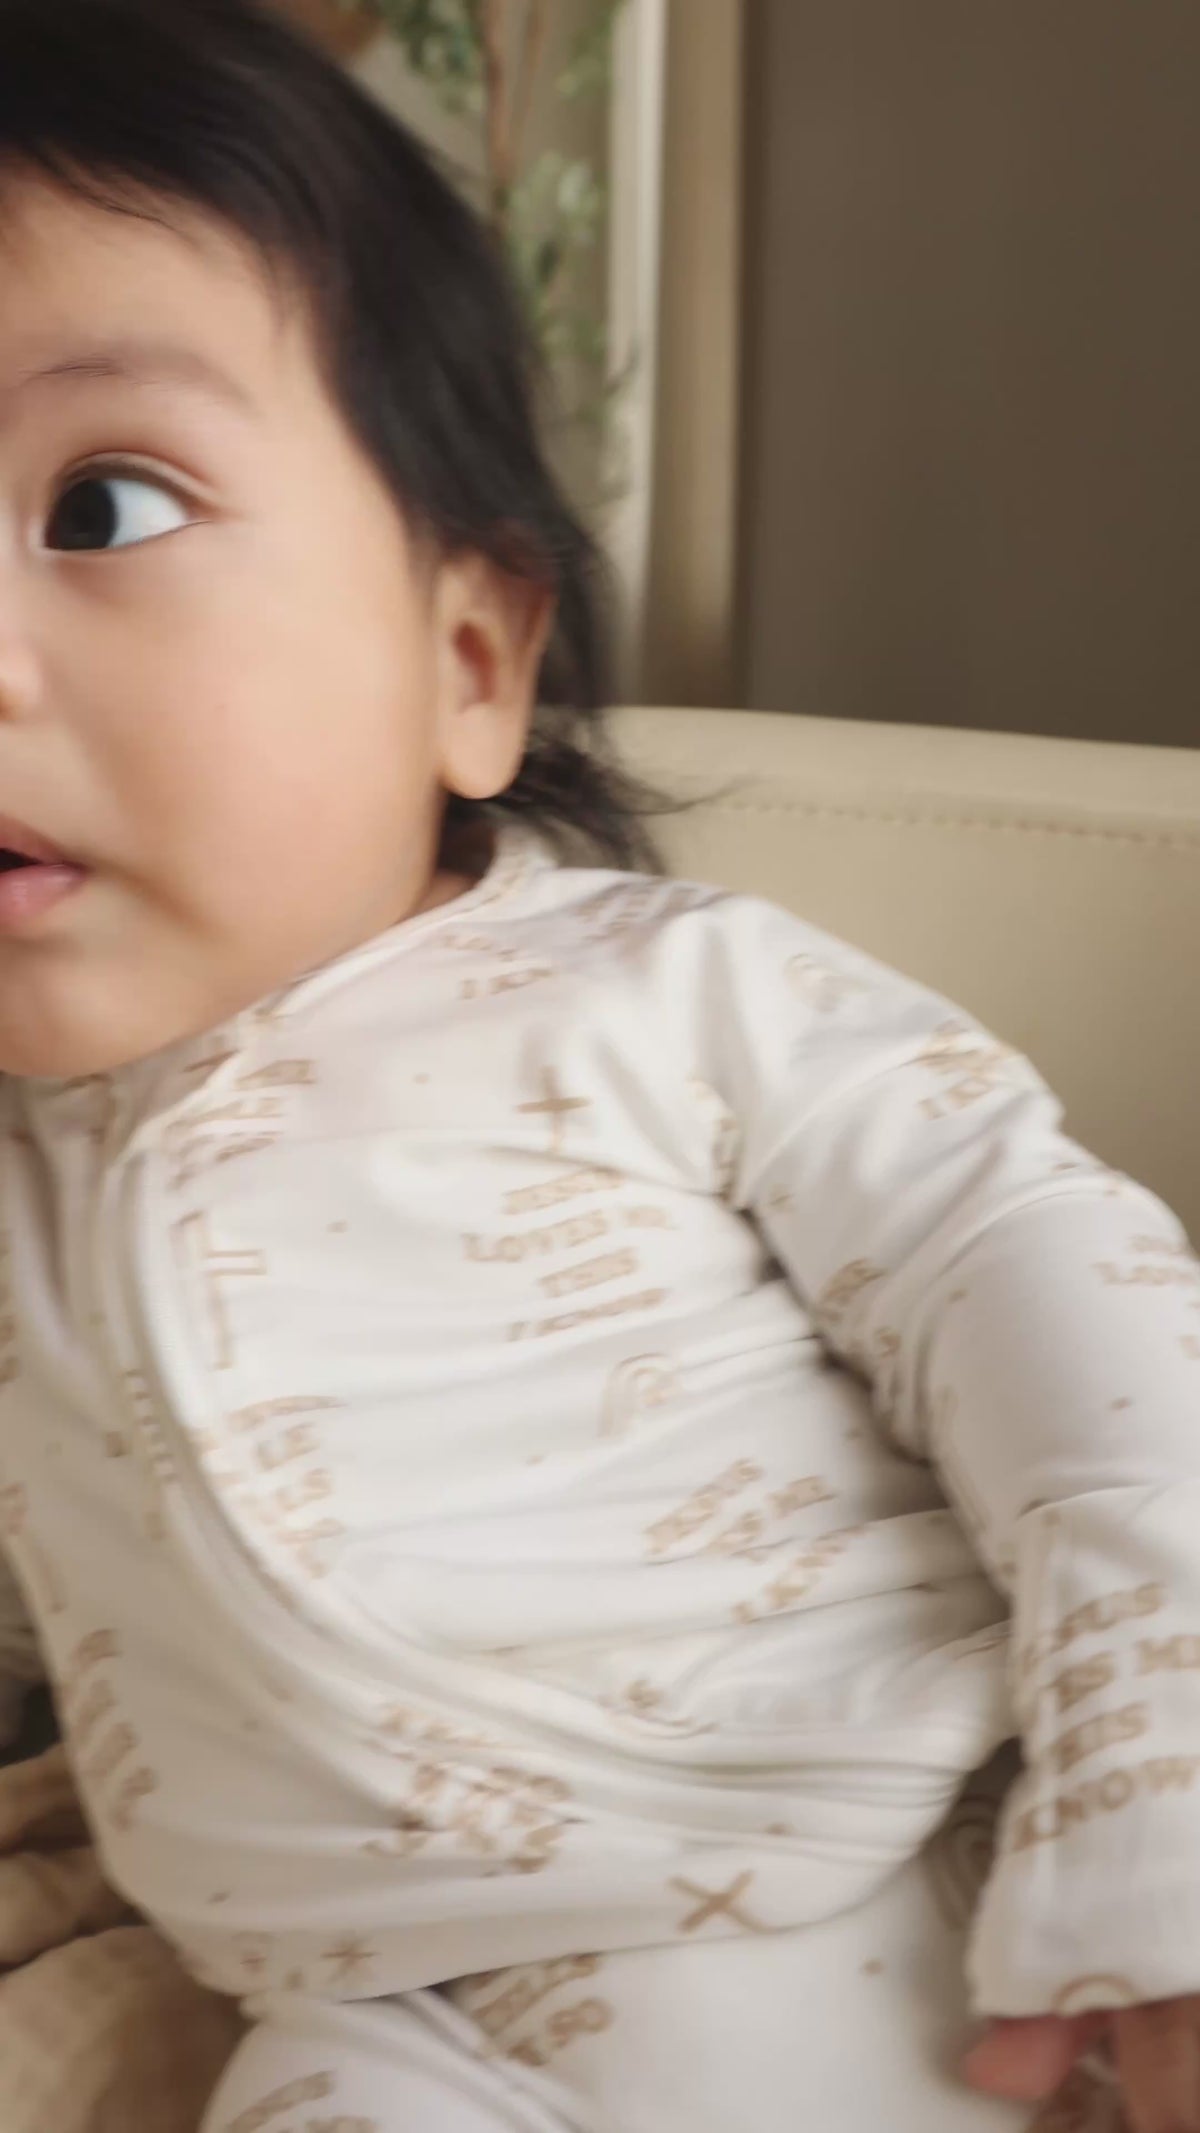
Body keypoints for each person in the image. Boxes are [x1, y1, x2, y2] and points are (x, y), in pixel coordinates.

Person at [0, 3, 1196, 2127]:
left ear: (468, 661)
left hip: (910, 1910)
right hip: (377, 2028)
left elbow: (1058, 1301)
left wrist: (1156, 1778)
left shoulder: (662, 1000)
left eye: (101, 504)